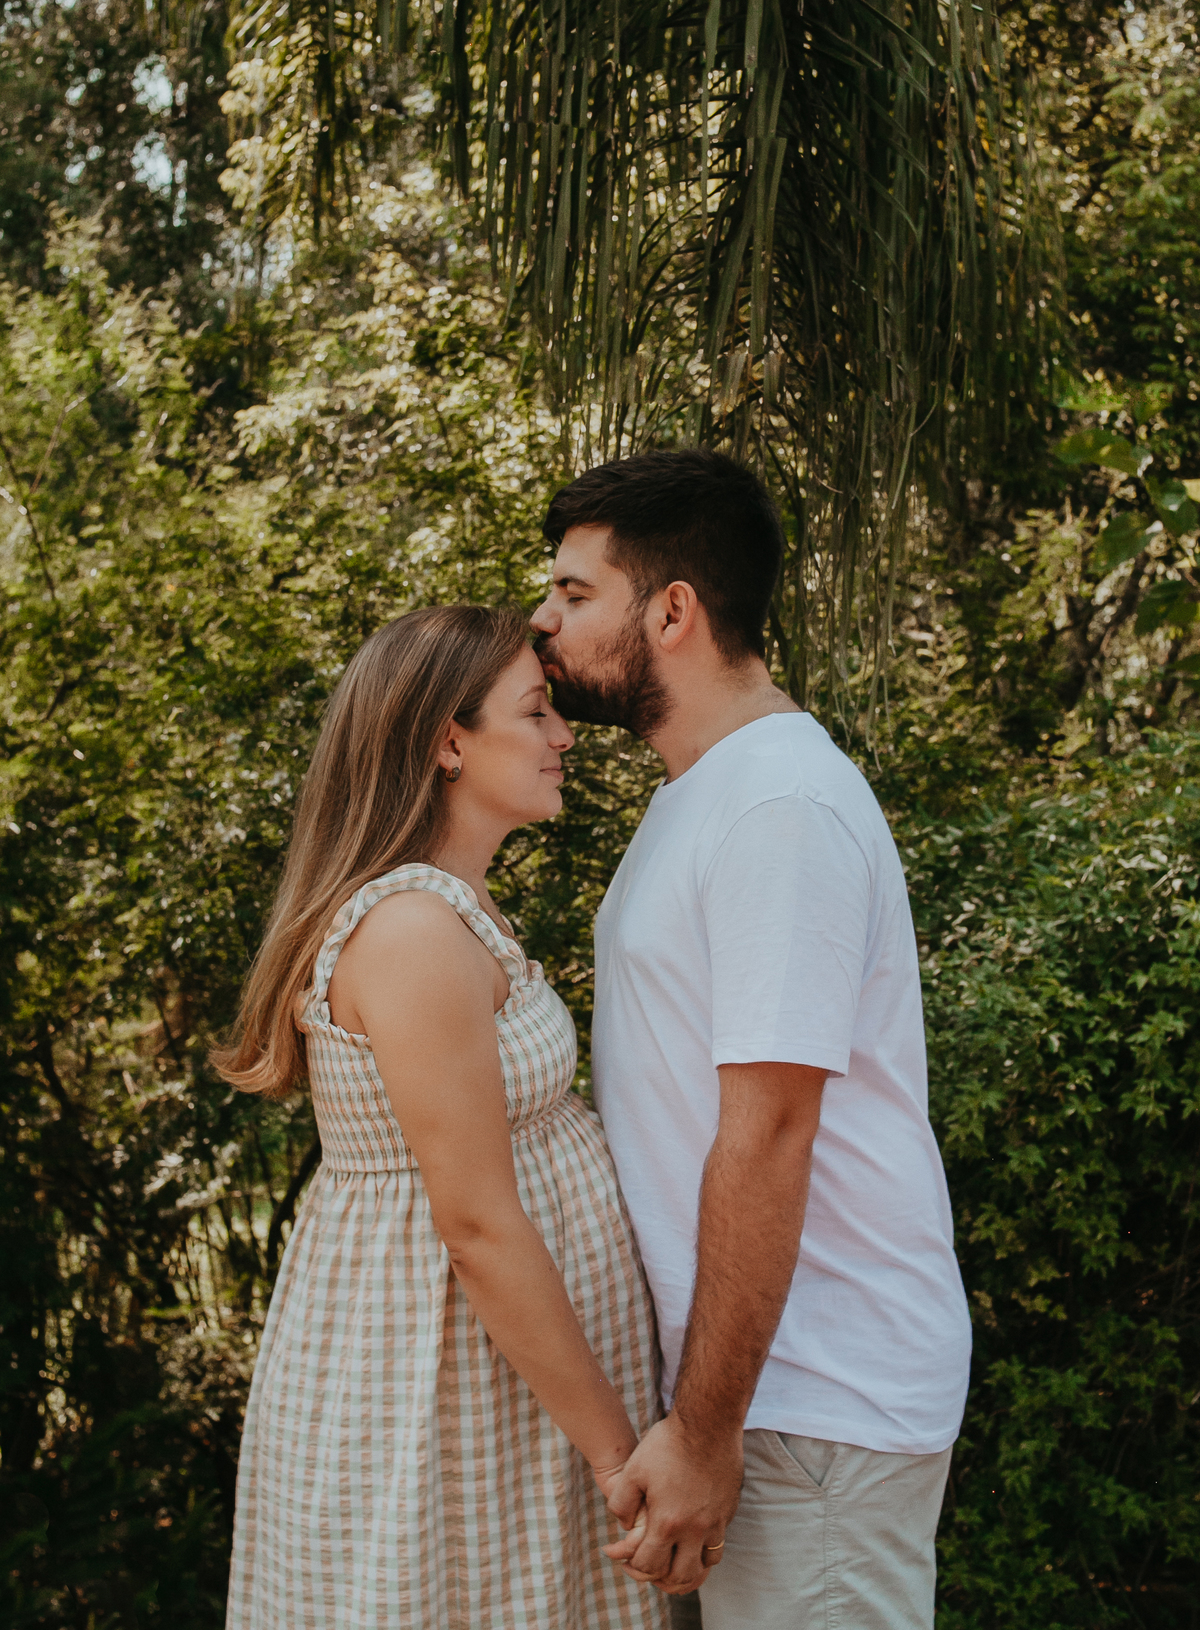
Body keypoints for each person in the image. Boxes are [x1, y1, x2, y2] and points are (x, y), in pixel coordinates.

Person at [530, 451, 972, 1629]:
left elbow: (770, 1132)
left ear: (672, 611)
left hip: (810, 1409)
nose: (544, 619)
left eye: (576, 594)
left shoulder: (779, 808)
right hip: (752, 1402)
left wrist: (712, 1431)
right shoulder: (709, 794)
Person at [217, 605, 669, 1630]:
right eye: (537, 711)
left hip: (508, 1386)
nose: (564, 737)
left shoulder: (456, 907)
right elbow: (473, 1223)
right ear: (447, 741)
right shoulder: (412, 933)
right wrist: (617, 1453)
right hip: (445, 1387)